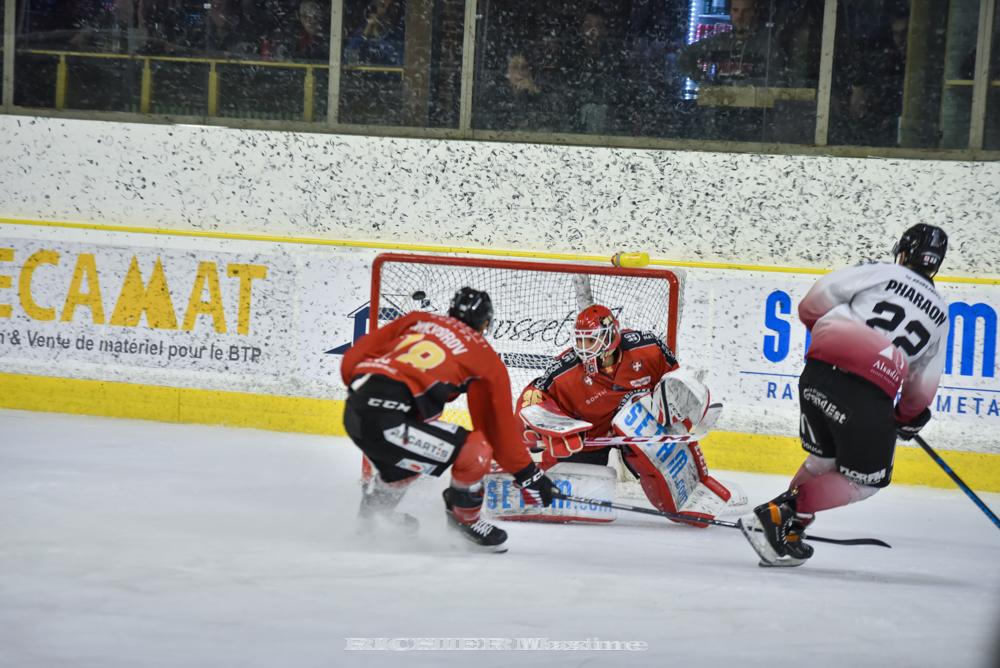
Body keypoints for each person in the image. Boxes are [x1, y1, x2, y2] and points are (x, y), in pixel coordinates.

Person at [740, 224, 950, 567]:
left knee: (823, 462)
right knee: (868, 481)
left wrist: (831, 340)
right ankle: (780, 514)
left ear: (903, 252)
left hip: (816, 375)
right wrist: (908, 417)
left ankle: (788, 530)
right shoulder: (939, 313)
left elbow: (813, 303)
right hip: (865, 396)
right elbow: (922, 385)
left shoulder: (880, 272)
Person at [340, 287, 557, 552]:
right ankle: (464, 523)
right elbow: (495, 430)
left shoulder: (418, 320)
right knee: (476, 450)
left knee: (405, 466)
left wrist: (374, 400)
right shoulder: (483, 357)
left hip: (354, 412)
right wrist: (528, 474)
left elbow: (353, 358)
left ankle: (372, 516)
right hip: (390, 424)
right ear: (485, 323)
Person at [511, 304, 738, 524]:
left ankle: (693, 489)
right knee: (569, 499)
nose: (582, 347)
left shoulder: (648, 348)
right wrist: (533, 423)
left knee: (662, 469)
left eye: (589, 340)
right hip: (590, 439)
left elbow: (675, 383)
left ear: (610, 337)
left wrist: (682, 411)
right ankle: (527, 486)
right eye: (579, 340)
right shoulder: (566, 371)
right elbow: (534, 394)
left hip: (640, 431)